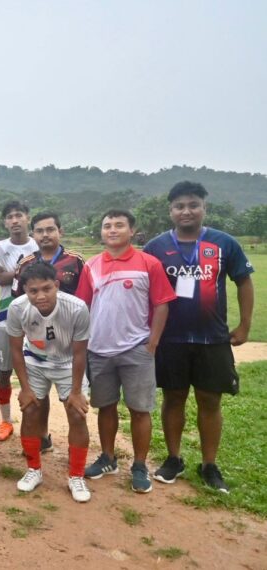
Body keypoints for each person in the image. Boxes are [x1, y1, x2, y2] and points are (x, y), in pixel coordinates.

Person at [144, 181, 254, 493]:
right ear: (171, 211)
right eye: (179, 206)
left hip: (212, 338)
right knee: (173, 397)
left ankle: (209, 464)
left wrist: (244, 325)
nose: (186, 211)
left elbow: (243, 282)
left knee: (210, 399)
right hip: (171, 339)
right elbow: (146, 291)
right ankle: (174, 458)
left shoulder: (223, 243)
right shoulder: (156, 247)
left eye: (193, 205)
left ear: (204, 208)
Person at [80, 210, 176, 493]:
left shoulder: (149, 263)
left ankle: (139, 465)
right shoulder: (92, 265)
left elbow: (162, 304)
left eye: (119, 225)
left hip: (136, 349)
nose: (112, 230)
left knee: (139, 409)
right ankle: (108, 458)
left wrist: (153, 342)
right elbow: (83, 306)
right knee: (105, 406)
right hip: (99, 349)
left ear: (131, 231)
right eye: (107, 225)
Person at [7, 262, 92, 502]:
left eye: (46, 288)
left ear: (56, 285)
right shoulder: (17, 308)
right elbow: (15, 349)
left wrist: (76, 391)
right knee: (30, 410)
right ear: (24, 289)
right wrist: (24, 388)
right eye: (33, 291)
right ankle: (34, 469)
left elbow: (79, 353)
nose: (40, 296)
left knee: (77, 414)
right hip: (35, 361)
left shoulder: (76, 308)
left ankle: (76, 475)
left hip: (66, 363)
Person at [13, 212, 90, 454]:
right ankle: (41, 437)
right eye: (40, 231)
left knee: (74, 407)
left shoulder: (76, 260)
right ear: (33, 234)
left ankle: (75, 462)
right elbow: (20, 301)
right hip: (38, 344)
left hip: (69, 340)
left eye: (50, 230)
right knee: (38, 399)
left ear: (60, 231)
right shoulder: (25, 262)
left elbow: (85, 296)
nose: (45, 235)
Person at [0, 200, 38, 442]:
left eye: (19, 215)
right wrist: (27, 271)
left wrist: (16, 273)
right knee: (4, 371)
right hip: (5, 314)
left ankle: (39, 425)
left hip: (36, 313)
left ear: (28, 217)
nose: (15, 220)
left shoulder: (38, 243)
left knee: (36, 370)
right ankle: (6, 420)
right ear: (4, 222)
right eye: (9, 217)